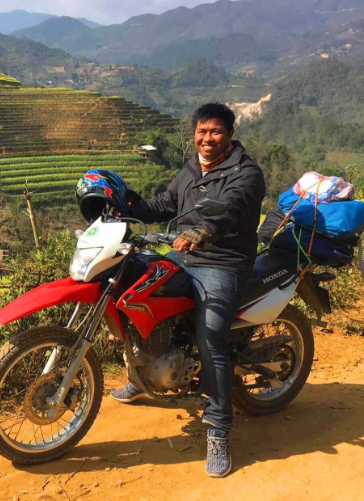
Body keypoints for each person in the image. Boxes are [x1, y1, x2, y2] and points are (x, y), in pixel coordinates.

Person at [111, 102, 266, 478]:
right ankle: (143, 373)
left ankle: (218, 428)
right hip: (184, 256)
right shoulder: (192, 168)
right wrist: (127, 204)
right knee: (134, 293)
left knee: (209, 333)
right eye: (201, 131)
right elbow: (165, 204)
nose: (207, 138)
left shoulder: (246, 173)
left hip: (223, 263)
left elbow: (232, 208)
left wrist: (206, 231)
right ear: (193, 133)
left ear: (229, 134)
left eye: (215, 132)